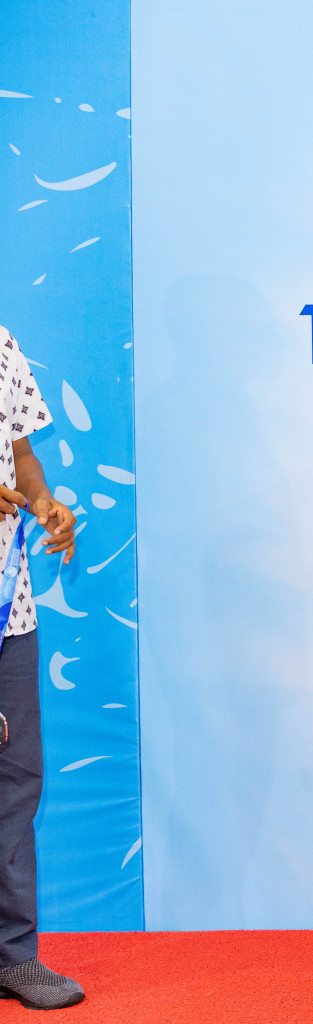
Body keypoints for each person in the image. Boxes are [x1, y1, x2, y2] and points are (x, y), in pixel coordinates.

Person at [0, 326, 82, 1011]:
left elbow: (21, 456)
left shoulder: (2, 344)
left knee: (17, 780)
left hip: (9, 608)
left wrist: (46, 504)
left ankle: (15, 956)